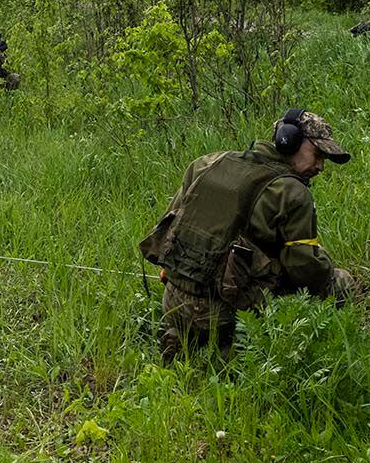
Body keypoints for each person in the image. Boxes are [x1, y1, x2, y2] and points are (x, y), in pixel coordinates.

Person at [140, 110, 358, 362]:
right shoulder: (292, 192)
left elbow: (170, 228)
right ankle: (232, 349)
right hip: (225, 312)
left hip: (173, 301)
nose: (320, 166)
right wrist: (326, 266)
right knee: (340, 282)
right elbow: (304, 268)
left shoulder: (208, 163)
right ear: (290, 141)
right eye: (318, 155)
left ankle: (185, 334)